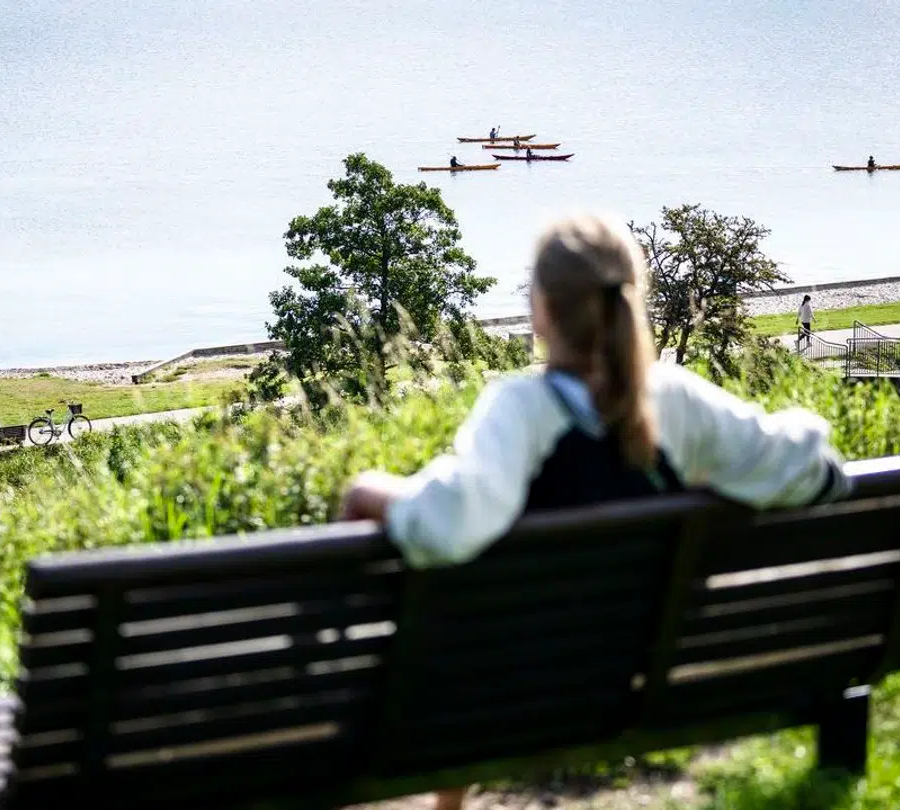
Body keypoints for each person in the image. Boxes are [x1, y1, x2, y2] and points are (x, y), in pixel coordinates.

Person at [340, 216, 850, 809]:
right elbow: (810, 469)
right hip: (633, 677)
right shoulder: (675, 401)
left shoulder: (523, 408)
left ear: (541, 311)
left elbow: (451, 524)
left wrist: (368, 491)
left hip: (509, 694)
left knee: (457, 612)